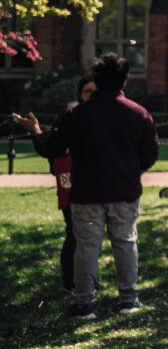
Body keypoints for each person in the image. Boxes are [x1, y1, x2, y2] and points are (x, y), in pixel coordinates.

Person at [13, 53, 159, 319]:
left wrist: (35, 130)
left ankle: (84, 305)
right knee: (125, 243)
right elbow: (150, 154)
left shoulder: (76, 114)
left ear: (97, 79)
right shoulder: (139, 114)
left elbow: (51, 148)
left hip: (86, 194)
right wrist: (129, 171)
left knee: (87, 248)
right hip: (123, 192)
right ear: (124, 79)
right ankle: (128, 300)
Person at [48, 74, 96, 295]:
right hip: (71, 183)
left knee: (91, 234)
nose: (91, 95)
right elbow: (53, 149)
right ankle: (70, 281)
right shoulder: (68, 116)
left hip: (94, 184)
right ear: (80, 93)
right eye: (88, 91)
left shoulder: (102, 116)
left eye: (95, 91)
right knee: (74, 232)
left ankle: (87, 279)